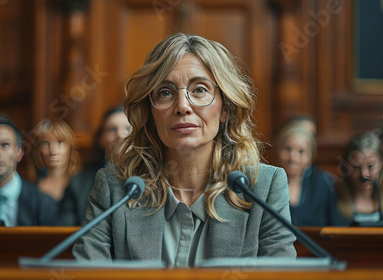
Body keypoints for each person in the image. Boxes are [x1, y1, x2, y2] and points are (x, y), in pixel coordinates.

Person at [73, 33, 296, 266]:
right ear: (150, 113)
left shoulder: (264, 188)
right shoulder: (115, 189)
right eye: (165, 92)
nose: (182, 106)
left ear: (225, 109)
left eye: (199, 89)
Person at [57, 107, 131, 226]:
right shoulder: (78, 184)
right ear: (101, 140)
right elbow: (62, 233)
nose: (121, 135)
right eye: (113, 129)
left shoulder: (154, 179)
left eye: (128, 128)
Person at [331, 132, 383, 226]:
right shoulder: (332, 204)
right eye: (356, 167)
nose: (364, 174)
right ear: (346, 167)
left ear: (381, 164)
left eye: (371, 166)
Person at [276, 127, 336, 226]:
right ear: (278, 151)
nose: (293, 157)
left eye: (301, 151)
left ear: (311, 157)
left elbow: (334, 224)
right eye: (287, 149)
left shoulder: (323, 182)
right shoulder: (267, 182)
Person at [32, 119, 81, 201]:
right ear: (38, 149)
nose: (53, 151)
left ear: (70, 148)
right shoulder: (31, 186)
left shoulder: (82, 184)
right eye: (45, 143)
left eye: (60, 142)